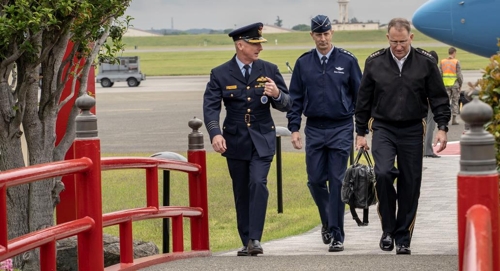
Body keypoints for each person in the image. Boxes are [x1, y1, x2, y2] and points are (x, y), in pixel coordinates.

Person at [354, 18, 451, 255]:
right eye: (394, 41)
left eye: (403, 41)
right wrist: (360, 133)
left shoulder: (426, 63)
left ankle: (403, 236)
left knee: (410, 182)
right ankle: (388, 230)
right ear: (388, 38)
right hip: (384, 127)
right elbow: (363, 100)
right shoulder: (374, 62)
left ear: (411, 38)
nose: (399, 46)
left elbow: (438, 98)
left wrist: (442, 127)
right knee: (384, 173)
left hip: (412, 129)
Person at [203, 22, 291, 257]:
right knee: (241, 190)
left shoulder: (269, 70)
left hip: (262, 139)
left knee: (258, 183)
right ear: (240, 45)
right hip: (235, 141)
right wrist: (215, 133)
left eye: (260, 44)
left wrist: (278, 95)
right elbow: (210, 108)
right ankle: (246, 240)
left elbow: (287, 104)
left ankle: (255, 237)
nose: (259, 48)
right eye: (254, 44)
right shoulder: (220, 73)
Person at [286, 14, 362, 252]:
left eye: (326, 33)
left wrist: (362, 131)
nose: (322, 38)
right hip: (315, 129)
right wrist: (294, 128)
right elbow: (295, 98)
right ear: (312, 35)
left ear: (332, 33)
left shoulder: (347, 61)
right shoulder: (303, 63)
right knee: (316, 180)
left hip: (341, 127)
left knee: (338, 181)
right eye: (318, 34)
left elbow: (360, 98)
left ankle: (337, 234)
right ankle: (328, 221)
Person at [424, 50, 441, 158]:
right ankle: (427, 150)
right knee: (430, 125)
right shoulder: (434, 70)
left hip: (421, 100)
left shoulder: (421, 68)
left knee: (422, 125)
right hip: (430, 100)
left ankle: (420, 149)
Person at [440, 47, 463, 125]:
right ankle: (454, 119)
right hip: (454, 85)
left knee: (445, 102)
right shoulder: (456, 62)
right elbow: (459, 75)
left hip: (445, 85)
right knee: (455, 101)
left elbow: (440, 74)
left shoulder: (442, 62)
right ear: (454, 53)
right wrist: (460, 84)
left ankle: (445, 119)